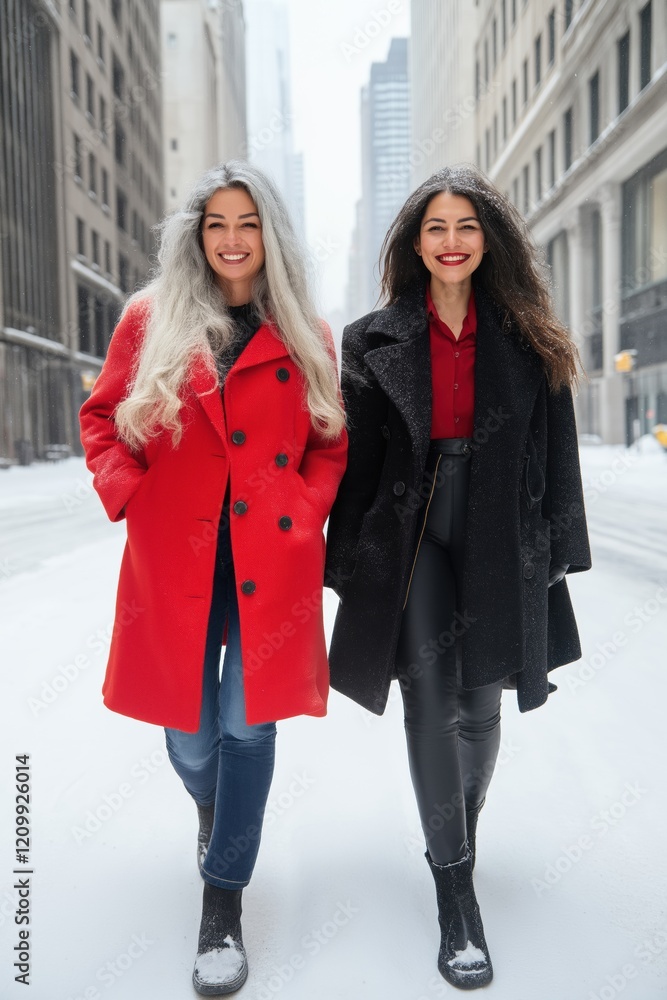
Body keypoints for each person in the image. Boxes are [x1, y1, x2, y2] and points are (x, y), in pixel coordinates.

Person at [79, 161, 347, 996]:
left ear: (269, 233)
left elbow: (327, 442)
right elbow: (100, 418)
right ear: (197, 237)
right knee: (193, 736)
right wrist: (131, 492)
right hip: (177, 561)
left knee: (248, 729)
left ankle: (222, 903)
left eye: (248, 223)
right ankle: (209, 807)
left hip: (268, 563)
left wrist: (305, 509)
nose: (232, 240)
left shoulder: (307, 330)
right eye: (216, 225)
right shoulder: (149, 318)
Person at [324, 165, 591, 990]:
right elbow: (358, 462)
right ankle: (454, 892)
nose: (449, 242)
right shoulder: (371, 338)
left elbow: (556, 455)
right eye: (434, 228)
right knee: (430, 699)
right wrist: (349, 560)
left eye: (465, 227)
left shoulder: (529, 336)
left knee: (481, 704)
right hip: (412, 536)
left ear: (488, 240)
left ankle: (456, 834)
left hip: (497, 530)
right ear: (414, 242)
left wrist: (553, 555)